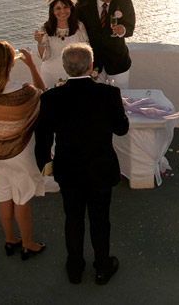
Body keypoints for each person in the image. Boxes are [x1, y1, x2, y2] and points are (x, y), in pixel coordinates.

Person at [34, 43, 129, 285]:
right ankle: (102, 267)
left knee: (73, 218)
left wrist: (46, 164)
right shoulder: (109, 95)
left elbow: (43, 136)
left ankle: (75, 268)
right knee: (100, 219)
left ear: (65, 67)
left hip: (68, 168)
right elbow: (121, 129)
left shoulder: (51, 98)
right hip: (101, 168)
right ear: (91, 66)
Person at [0, 40, 47, 260]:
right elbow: (43, 93)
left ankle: (10, 238)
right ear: (9, 64)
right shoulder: (23, 92)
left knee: (3, 197)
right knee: (21, 199)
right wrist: (32, 66)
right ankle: (28, 244)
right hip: (19, 154)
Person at [75, 0, 135, 88]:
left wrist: (122, 30)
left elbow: (130, 28)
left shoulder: (124, 2)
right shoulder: (83, 3)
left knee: (120, 97)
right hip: (92, 63)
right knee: (96, 100)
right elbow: (73, 26)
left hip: (118, 62)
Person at [34, 0, 89, 88]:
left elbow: (85, 50)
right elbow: (44, 57)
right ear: (52, 11)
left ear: (71, 8)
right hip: (50, 73)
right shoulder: (45, 29)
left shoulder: (79, 26)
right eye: (58, 8)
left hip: (73, 74)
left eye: (65, 7)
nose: (62, 11)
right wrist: (40, 42)